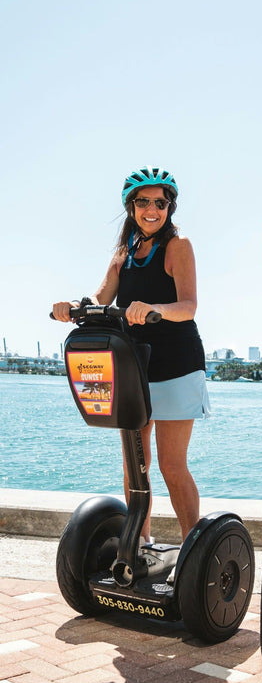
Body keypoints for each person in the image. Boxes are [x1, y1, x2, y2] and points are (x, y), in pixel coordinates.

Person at [53, 166, 209, 544]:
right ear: (131, 207)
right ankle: (140, 543)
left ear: (170, 206)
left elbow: (188, 306)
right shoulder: (124, 253)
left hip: (177, 365)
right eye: (143, 202)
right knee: (135, 465)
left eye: (160, 202)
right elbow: (101, 298)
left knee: (172, 466)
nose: (152, 210)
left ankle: (193, 552)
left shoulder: (178, 245)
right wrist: (73, 307)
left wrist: (151, 307)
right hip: (135, 366)